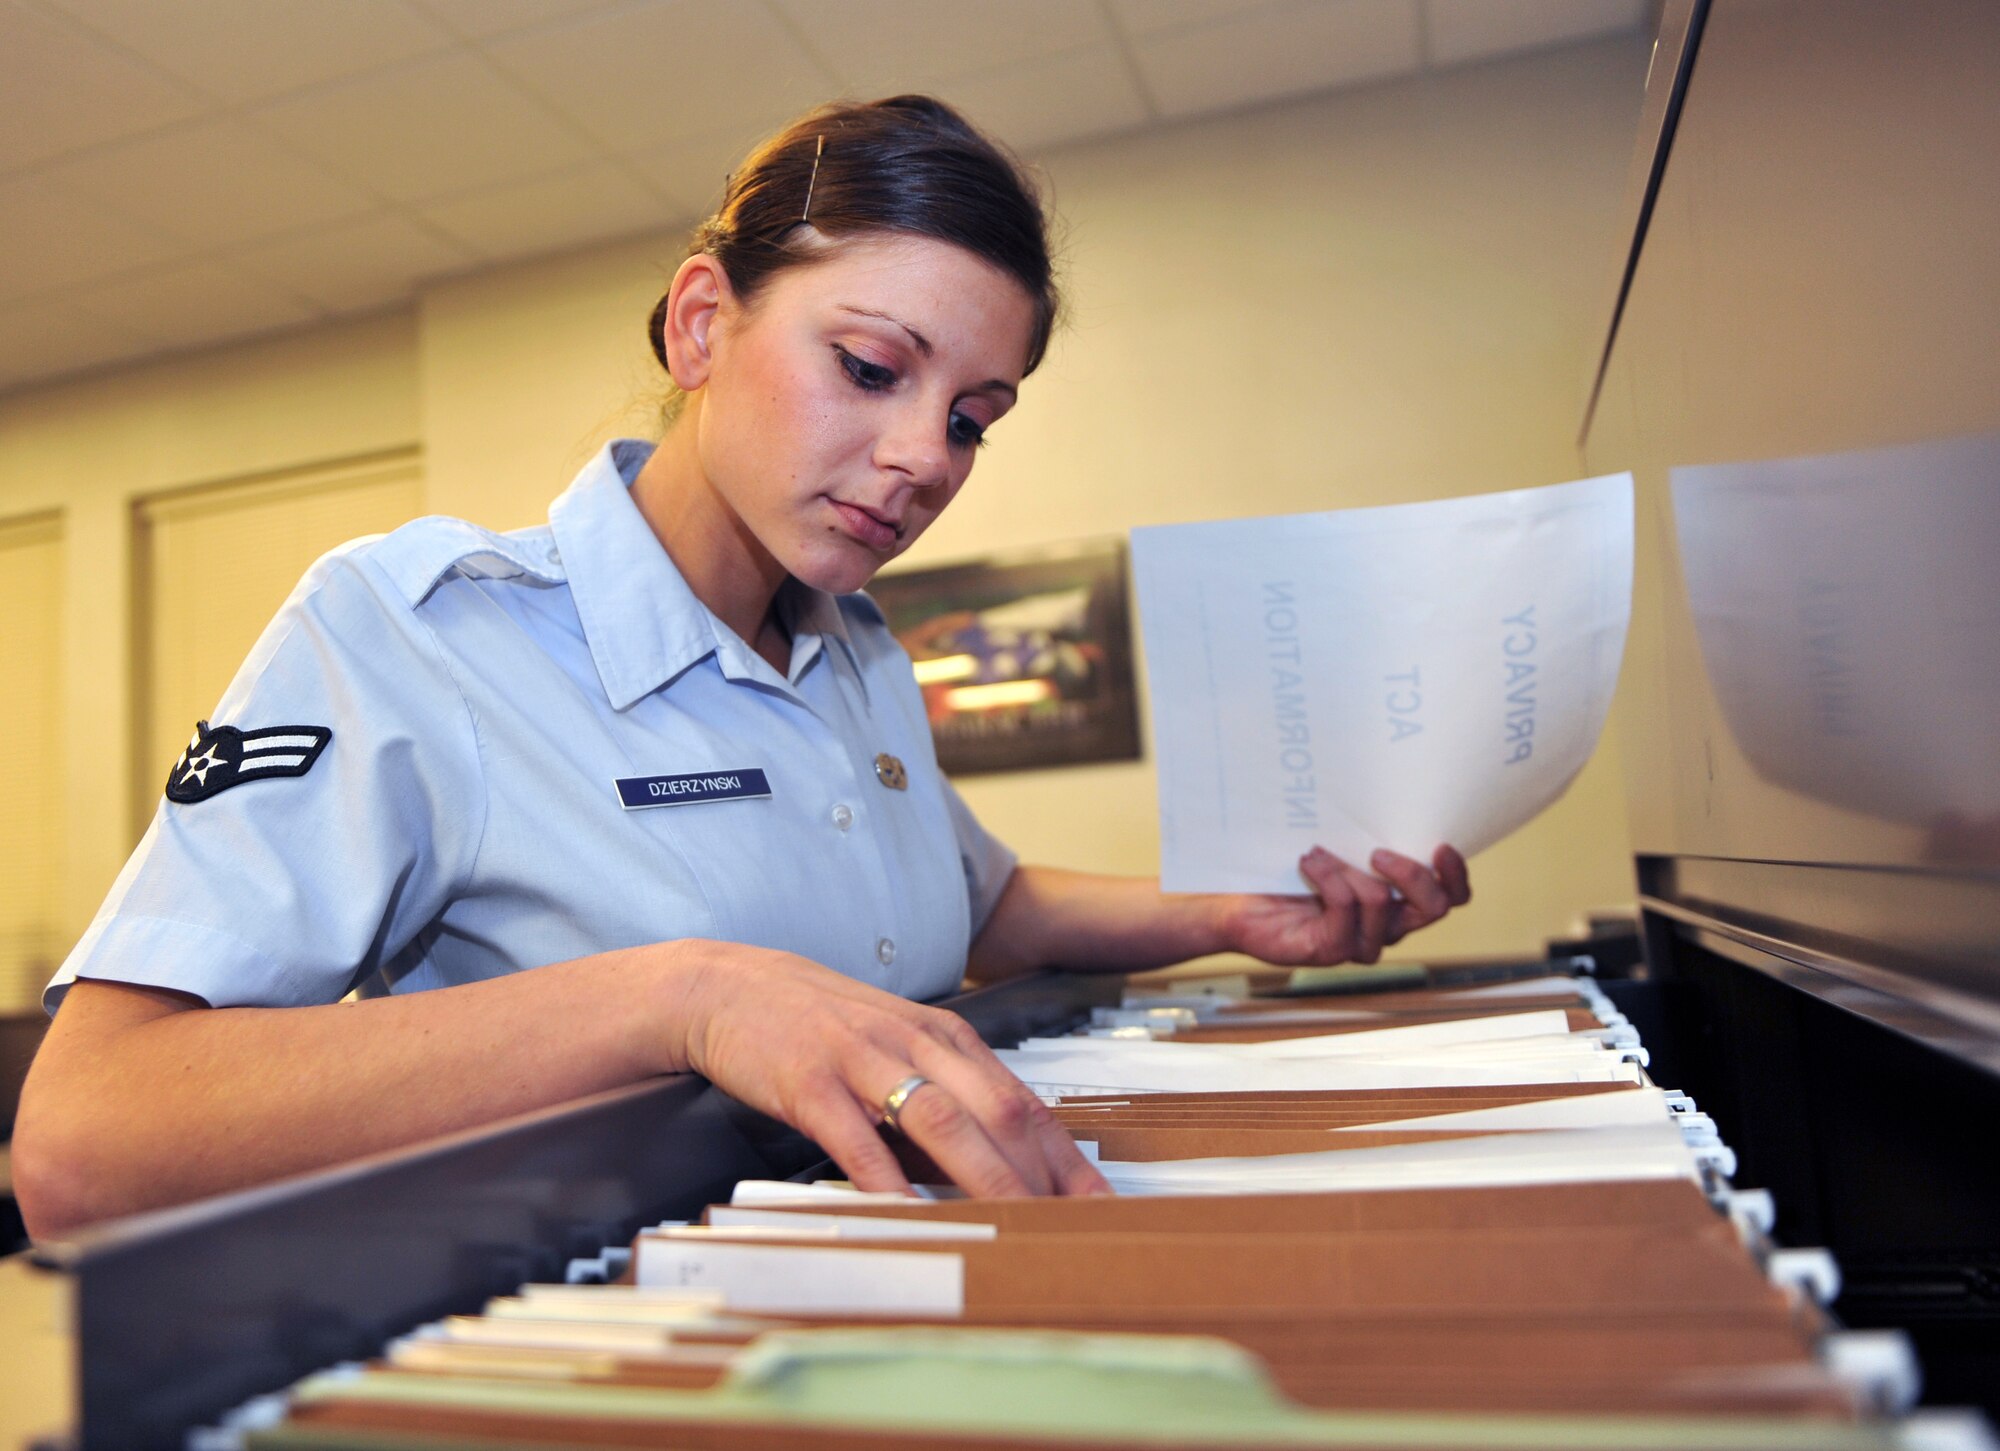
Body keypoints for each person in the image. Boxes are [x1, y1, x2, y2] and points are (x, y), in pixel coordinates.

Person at [13, 96, 1469, 1240]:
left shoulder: (856, 658)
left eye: (974, 416)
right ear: (704, 324)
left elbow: (984, 908)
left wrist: (1236, 912)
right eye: (871, 367)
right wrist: (683, 999)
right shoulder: (419, 632)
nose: (922, 461)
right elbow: (88, 1142)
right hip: (586, 1330)